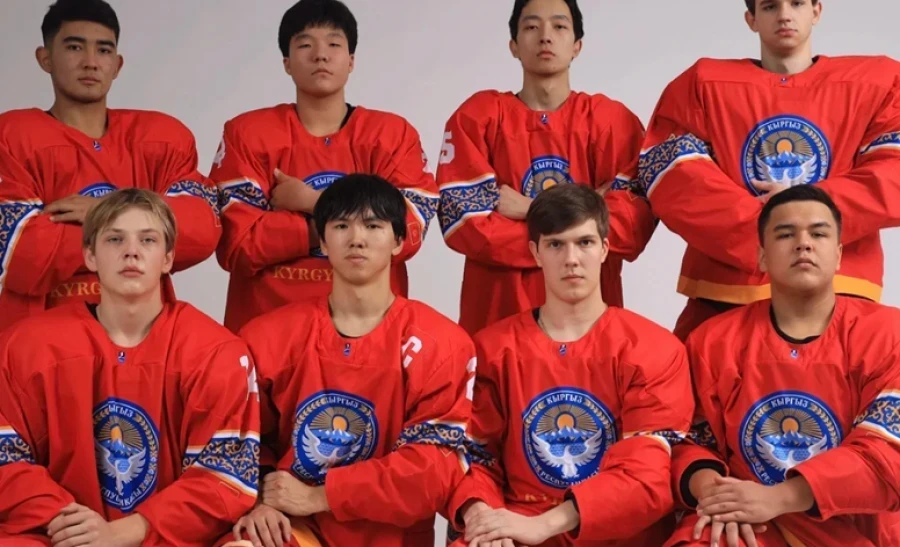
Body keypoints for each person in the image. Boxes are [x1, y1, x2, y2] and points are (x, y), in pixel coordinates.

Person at [0, 189, 259, 546]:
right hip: (62, 535)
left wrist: (123, 532)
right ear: (90, 255)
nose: (131, 251)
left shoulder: (217, 352)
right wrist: (73, 526)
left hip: (168, 538)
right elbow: (7, 459)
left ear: (168, 258)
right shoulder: (27, 345)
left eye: (148, 240)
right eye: (114, 239)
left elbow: (223, 477)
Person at [230, 174, 475, 547]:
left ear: (398, 241)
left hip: (390, 537)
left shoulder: (443, 344)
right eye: (341, 225)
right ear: (323, 241)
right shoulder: (267, 336)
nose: (356, 238)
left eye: (373, 226)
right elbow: (243, 441)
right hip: (297, 528)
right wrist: (259, 500)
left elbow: (434, 472)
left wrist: (322, 496)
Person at [638, 0, 900, 341]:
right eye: (770, 6)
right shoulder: (701, 84)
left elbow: (893, 174)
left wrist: (794, 211)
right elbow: (674, 178)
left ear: (816, 11)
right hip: (727, 293)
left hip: (841, 290)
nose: (785, 15)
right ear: (751, 19)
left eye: (797, 3)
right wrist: (782, 224)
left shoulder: (880, 83)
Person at [448, 184, 692, 547]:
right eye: (555, 245)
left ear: (605, 249)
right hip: (517, 527)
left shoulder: (654, 349)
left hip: (617, 536)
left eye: (585, 242)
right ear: (535, 253)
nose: (571, 259)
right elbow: (473, 455)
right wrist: (482, 514)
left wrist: (545, 525)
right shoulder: (492, 349)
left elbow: (645, 477)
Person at [666, 185, 900, 547]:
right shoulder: (712, 341)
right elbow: (685, 439)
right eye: (785, 234)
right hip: (747, 521)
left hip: (853, 526)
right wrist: (716, 493)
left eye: (818, 234)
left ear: (839, 255)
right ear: (761, 256)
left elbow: (888, 454)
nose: (803, 244)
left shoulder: (888, 334)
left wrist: (778, 498)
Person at [210, 0, 439, 334]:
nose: (320, 55)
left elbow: (407, 231)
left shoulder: (392, 136)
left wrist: (312, 203)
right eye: (305, 45)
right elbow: (237, 245)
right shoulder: (247, 134)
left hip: (372, 330)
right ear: (287, 63)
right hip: (268, 331)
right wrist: (362, 226)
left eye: (334, 44)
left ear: (351, 60)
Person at [435, 0, 656, 336]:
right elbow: (466, 227)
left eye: (559, 26)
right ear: (513, 45)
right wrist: (588, 217)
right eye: (531, 26)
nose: (545, 36)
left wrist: (529, 208)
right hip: (498, 319)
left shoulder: (614, 122)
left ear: (577, 45)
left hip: (589, 326)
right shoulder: (476, 118)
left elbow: (630, 228)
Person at [0, 0, 221, 333]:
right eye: (74, 47)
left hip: (144, 337)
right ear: (45, 58)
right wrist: (147, 230)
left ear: (117, 65)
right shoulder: (11, 136)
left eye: (103, 50)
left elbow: (201, 229)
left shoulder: (160, 137)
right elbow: (20, 254)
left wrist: (105, 210)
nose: (91, 62)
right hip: (42, 339)